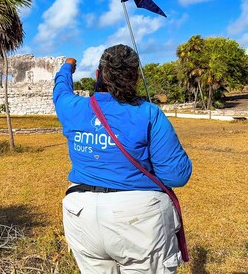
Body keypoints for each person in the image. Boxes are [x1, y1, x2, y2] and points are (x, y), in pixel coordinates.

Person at [53, 44, 192, 274]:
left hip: (81, 213)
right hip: (138, 219)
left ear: (98, 75)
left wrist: (67, 68)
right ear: (135, 78)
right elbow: (176, 175)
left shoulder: (72, 107)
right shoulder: (148, 113)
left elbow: (60, 91)